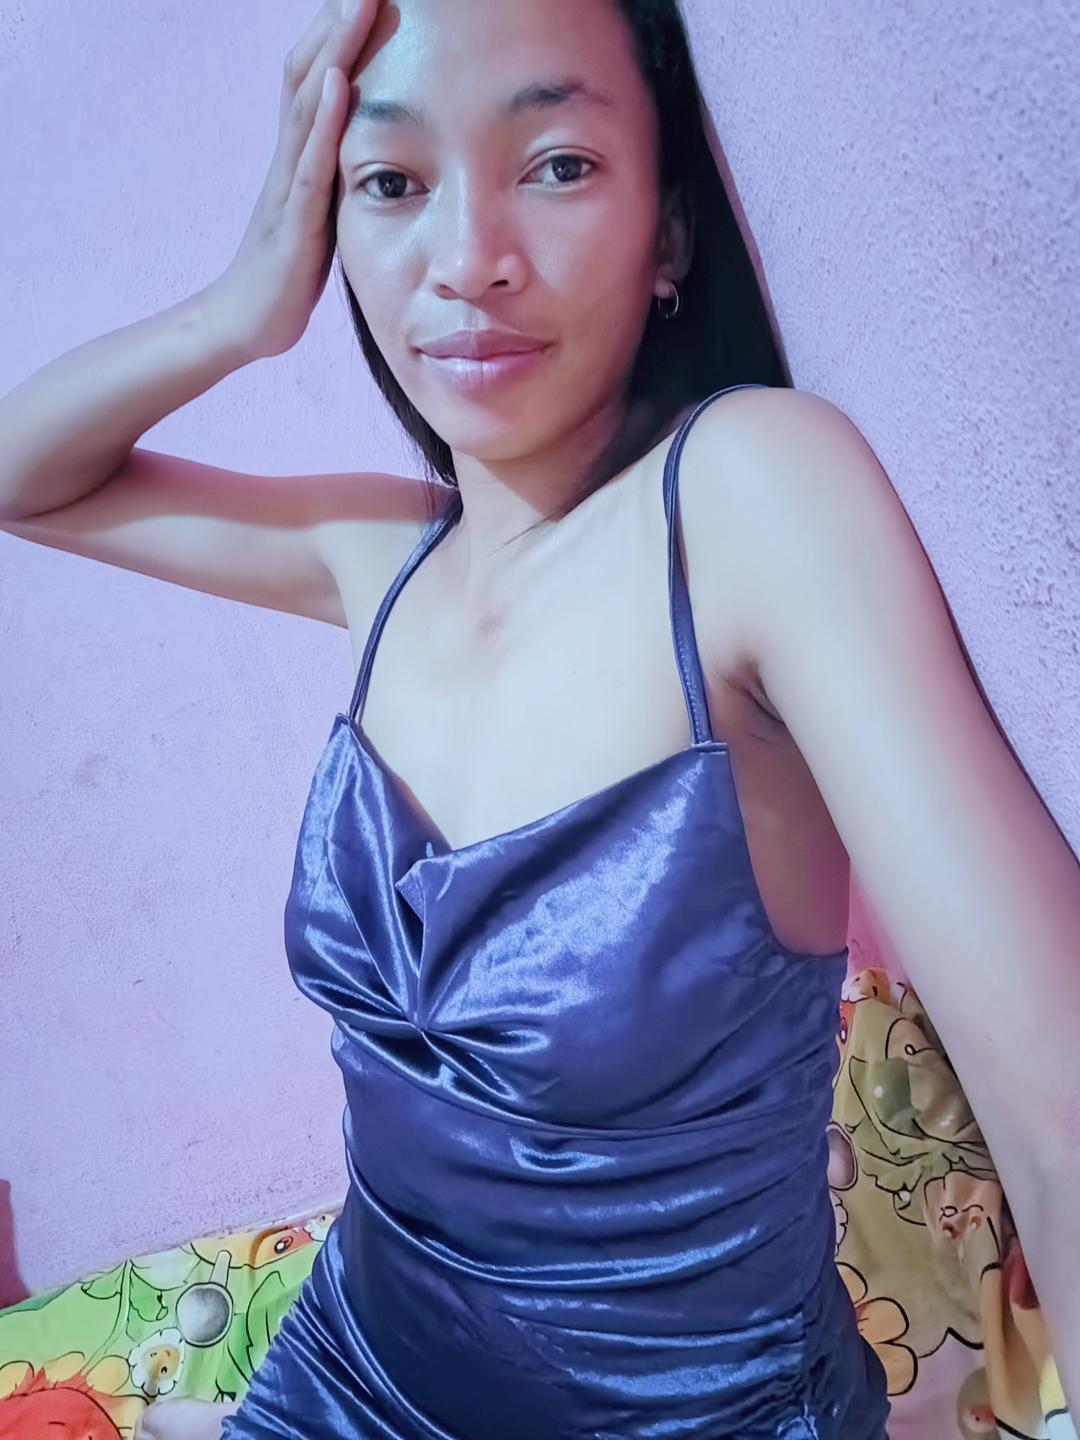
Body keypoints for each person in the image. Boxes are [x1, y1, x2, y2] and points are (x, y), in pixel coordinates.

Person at [4, 1, 1079, 1437]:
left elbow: (1059, 1120)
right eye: (392, 183)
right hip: (352, 1377)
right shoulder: (383, 562)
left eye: (557, 164)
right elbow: (27, 479)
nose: (467, 259)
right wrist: (241, 308)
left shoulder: (742, 502)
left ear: (669, 229)